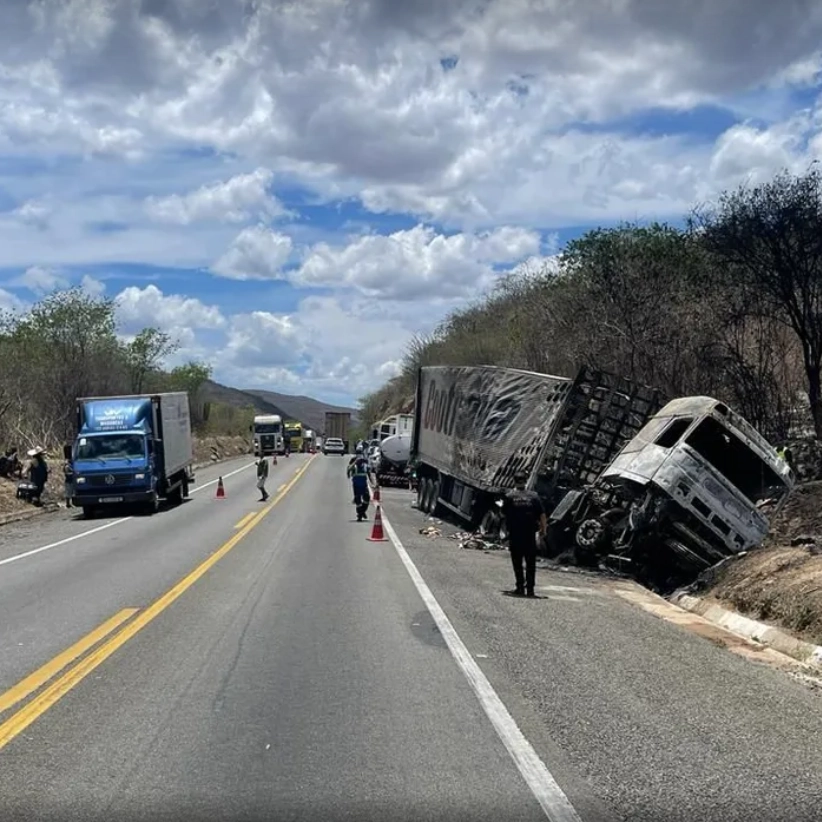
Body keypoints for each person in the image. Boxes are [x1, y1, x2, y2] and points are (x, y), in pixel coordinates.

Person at [501, 470, 547, 597]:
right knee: (530, 563)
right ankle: (530, 589)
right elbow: (542, 515)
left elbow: (503, 513)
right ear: (526, 481)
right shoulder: (534, 496)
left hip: (515, 535)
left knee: (517, 563)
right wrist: (544, 530)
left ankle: (520, 587)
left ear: (514, 481)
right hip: (529, 535)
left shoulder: (509, 496)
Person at [347, 446, 371, 521]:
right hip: (356, 483)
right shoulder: (353, 460)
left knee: (367, 498)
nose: (359, 454)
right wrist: (355, 462)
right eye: (358, 453)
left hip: (364, 483)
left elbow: (369, 471)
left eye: (360, 453)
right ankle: (360, 515)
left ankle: (362, 511)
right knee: (358, 500)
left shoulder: (365, 460)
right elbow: (348, 469)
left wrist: (373, 482)